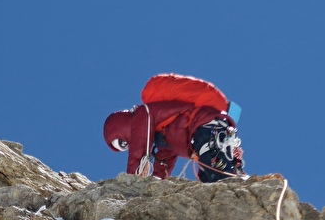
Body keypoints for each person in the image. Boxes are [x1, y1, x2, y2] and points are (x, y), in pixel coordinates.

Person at [103, 74, 245, 182]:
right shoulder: (163, 134)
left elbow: (139, 144)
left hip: (203, 127)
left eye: (123, 143)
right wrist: (151, 188)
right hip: (209, 130)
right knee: (214, 177)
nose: (129, 145)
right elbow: (164, 162)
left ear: (121, 126)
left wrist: (132, 180)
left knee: (216, 175)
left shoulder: (143, 114)